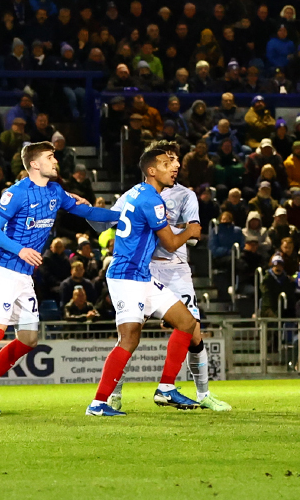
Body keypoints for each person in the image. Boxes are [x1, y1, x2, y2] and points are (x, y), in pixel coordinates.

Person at [0, 140, 127, 418]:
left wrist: (125, 215)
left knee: (29, 338)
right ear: (34, 164)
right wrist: (21, 249)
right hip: (4, 270)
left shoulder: (56, 191)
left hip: (23, 276)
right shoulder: (16, 193)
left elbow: (89, 212)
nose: (56, 161)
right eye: (50, 156)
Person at [86, 141, 209, 417]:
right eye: (167, 164)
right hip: (127, 276)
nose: (174, 167)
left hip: (142, 277)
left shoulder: (134, 193)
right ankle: (99, 403)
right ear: (152, 170)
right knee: (129, 340)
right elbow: (170, 242)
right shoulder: (152, 199)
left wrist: (87, 210)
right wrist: (190, 231)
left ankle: (166, 387)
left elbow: (109, 219)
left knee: (187, 322)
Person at [149, 145, 230, 411]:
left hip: (176, 269)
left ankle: (203, 393)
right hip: (144, 268)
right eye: (168, 160)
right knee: (129, 332)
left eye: (175, 160)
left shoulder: (186, 195)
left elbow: (194, 234)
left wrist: (169, 230)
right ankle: (111, 395)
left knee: (194, 332)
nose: (174, 165)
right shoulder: (139, 194)